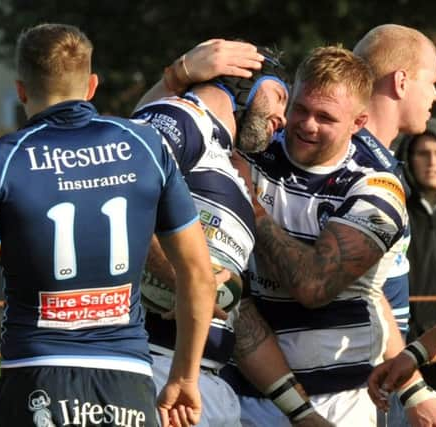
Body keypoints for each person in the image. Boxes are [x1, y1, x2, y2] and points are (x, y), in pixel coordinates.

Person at [0, 23, 217, 427]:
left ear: (21, 90)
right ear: (92, 86)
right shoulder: (145, 146)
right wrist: (185, 377)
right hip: (128, 380)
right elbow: (199, 277)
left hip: (36, 375)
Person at [134, 40, 332, 426]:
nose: (285, 117)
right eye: (279, 95)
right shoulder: (182, 117)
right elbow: (119, 197)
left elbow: (233, 315)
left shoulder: (229, 165)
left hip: (209, 382)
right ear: (241, 85)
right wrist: (184, 281)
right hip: (158, 369)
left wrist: (303, 413)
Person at [369, 117, 436, 425]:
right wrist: (407, 354)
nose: (433, 162)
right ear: (409, 157)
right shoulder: (393, 204)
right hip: (406, 364)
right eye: (423, 153)